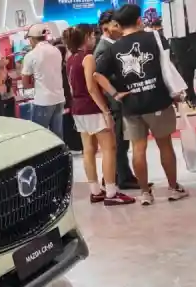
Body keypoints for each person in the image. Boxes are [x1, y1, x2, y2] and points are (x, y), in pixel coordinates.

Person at [95, 4, 189, 206]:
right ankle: (173, 188)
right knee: (165, 145)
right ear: (139, 20)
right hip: (158, 101)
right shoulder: (155, 38)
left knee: (138, 149)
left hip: (131, 106)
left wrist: (115, 94)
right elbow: (168, 67)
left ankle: (145, 193)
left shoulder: (113, 48)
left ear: (119, 25)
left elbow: (97, 74)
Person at [62, 26, 135, 206]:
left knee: (89, 149)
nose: (94, 38)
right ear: (86, 37)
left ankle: (95, 191)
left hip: (77, 108)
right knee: (109, 148)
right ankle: (111, 192)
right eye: (92, 35)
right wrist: (105, 110)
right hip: (92, 107)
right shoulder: (87, 58)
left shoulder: (70, 59)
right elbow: (91, 87)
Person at [94, 9, 141, 189]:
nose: (119, 27)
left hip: (120, 100)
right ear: (105, 27)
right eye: (115, 24)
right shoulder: (104, 48)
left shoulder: (113, 45)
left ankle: (122, 175)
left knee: (123, 141)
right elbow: (101, 77)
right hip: (115, 102)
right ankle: (121, 178)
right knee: (120, 142)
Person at [21, 24, 67, 138]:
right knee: (57, 135)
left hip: (43, 100)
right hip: (59, 98)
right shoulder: (56, 50)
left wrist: (35, 83)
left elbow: (25, 83)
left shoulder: (31, 55)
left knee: (40, 135)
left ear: (32, 39)